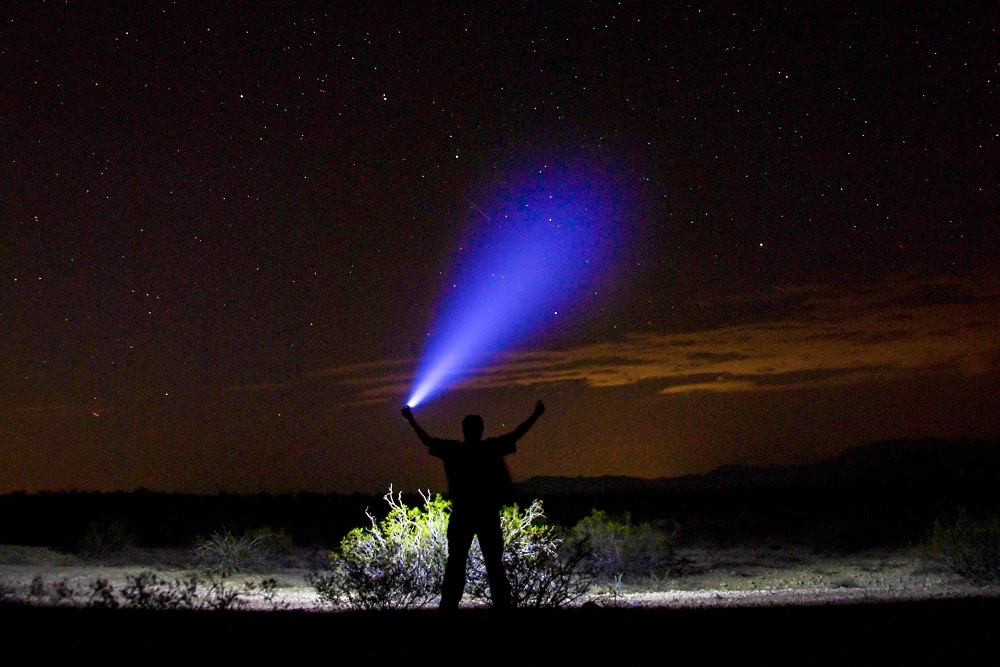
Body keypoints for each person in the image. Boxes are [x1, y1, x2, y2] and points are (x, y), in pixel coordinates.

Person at [401, 400, 545, 610]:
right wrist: (536, 415)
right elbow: (516, 434)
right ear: (481, 429)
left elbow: (426, 440)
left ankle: (449, 607)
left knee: (456, 562)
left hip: (462, 514)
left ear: (464, 430)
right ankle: (502, 608)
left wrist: (411, 420)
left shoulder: (454, 451)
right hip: (487, 513)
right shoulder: (490, 449)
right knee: (494, 564)